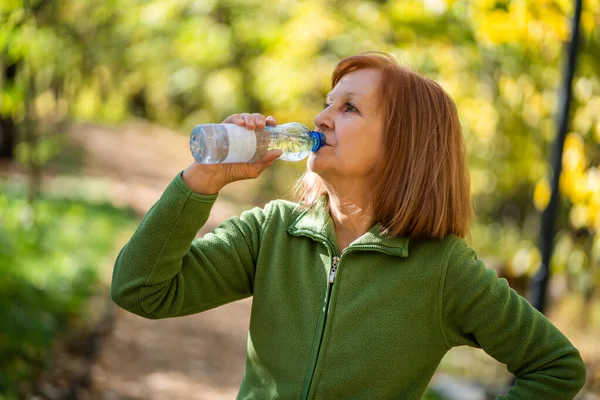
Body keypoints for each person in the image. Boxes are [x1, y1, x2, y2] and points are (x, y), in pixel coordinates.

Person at [111, 52, 586, 399]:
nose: (321, 118)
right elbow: (141, 289)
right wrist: (202, 179)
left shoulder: (442, 270)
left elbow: (556, 367)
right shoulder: (272, 231)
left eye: (349, 109)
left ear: (406, 146)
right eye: (328, 103)